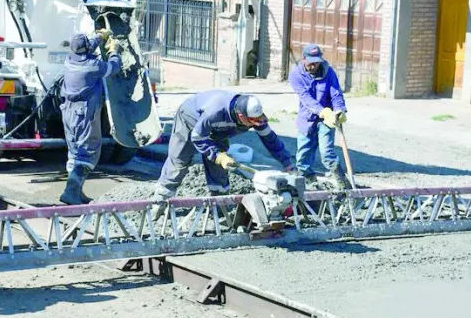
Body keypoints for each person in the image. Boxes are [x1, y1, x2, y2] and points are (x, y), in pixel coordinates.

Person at [155, 91, 294, 199]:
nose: (255, 124)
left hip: (219, 128)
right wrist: (218, 156)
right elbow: (197, 137)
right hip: (190, 117)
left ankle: (220, 200)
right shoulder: (215, 112)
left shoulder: (255, 118)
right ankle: (162, 197)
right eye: (252, 121)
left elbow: (270, 140)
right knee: (180, 157)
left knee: (219, 164)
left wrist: (287, 163)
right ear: (241, 116)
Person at [59, 30, 122, 205]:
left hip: (68, 112)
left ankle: (76, 192)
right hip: (84, 114)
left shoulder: (69, 59)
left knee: (74, 152)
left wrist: (100, 37)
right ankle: (70, 192)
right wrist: (114, 51)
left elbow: (86, 48)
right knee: (88, 152)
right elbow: (114, 68)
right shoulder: (93, 66)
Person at [289, 43, 348, 188]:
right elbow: (306, 98)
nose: (314, 65)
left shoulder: (328, 72)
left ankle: (343, 184)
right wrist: (322, 111)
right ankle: (308, 185)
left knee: (327, 154)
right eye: (311, 62)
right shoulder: (296, 75)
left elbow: (336, 93)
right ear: (304, 59)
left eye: (317, 62)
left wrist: (339, 110)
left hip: (327, 120)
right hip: (307, 118)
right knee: (303, 157)